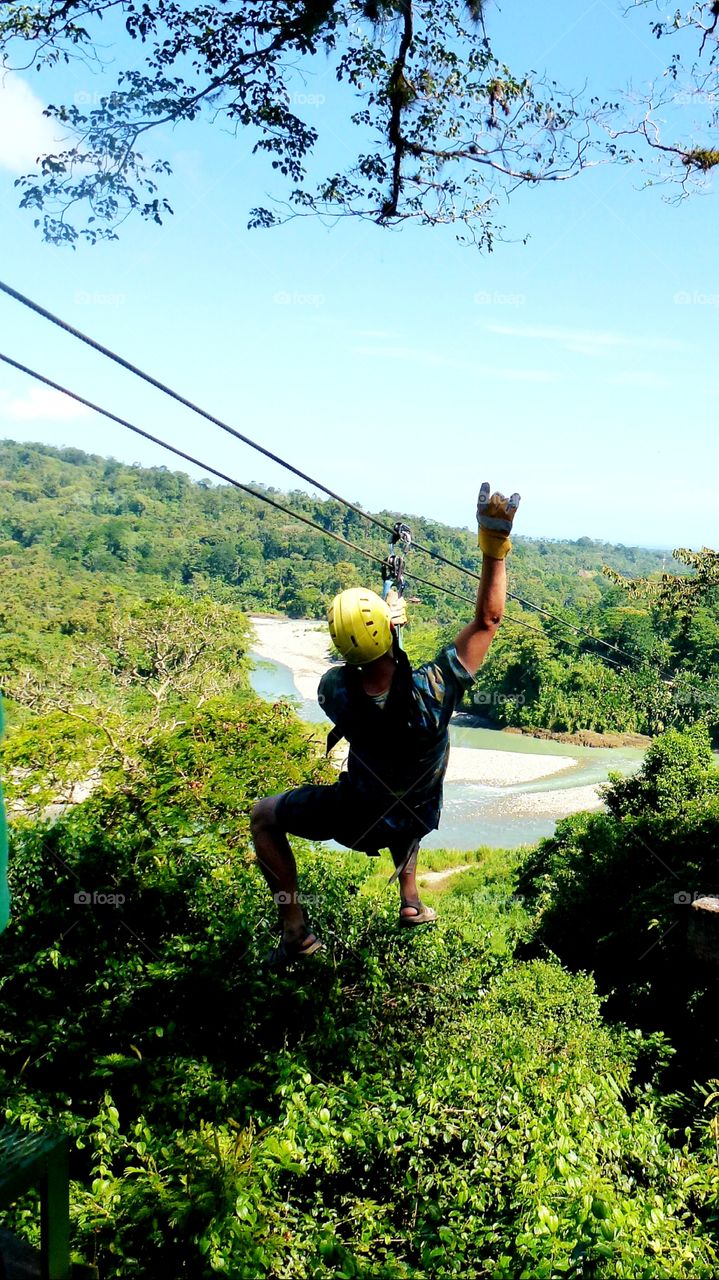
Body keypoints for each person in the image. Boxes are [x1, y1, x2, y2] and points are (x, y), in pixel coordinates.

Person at [251, 483, 520, 964]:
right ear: (390, 632)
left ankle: (295, 930)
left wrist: (384, 621)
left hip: (358, 819)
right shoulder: (434, 693)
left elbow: (362, 674)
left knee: (264, 816)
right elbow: (488, 620)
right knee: (405, 796)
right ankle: (410, 901)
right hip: (418, 813)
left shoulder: (334, 692)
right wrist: (493, 543)